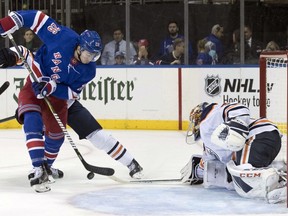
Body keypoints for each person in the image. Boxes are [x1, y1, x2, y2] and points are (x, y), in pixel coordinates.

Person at [0, 10, 103, 193]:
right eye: (88, 53)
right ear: (79, 46)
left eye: (94, 56)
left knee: (56, 136)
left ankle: (47, 165)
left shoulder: (89, 70)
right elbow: (36, 18)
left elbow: (73, 92)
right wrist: (11, 21)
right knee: (32, 117)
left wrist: (53, 88)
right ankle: (38, 167)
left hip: (56, 96)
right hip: (35, 82)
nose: (90, 59)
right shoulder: (63, 36)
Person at [181, 102, 286, 204]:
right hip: (267, 140)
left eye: (194, 121)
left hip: (259, 135)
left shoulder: (209, 117)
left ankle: (277, 186)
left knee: (245, 181)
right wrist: (196, 170)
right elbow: (211, 165)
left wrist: (237, 128)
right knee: (238, 183)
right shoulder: (208, 143)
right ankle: (280, 170)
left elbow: (240, 109)